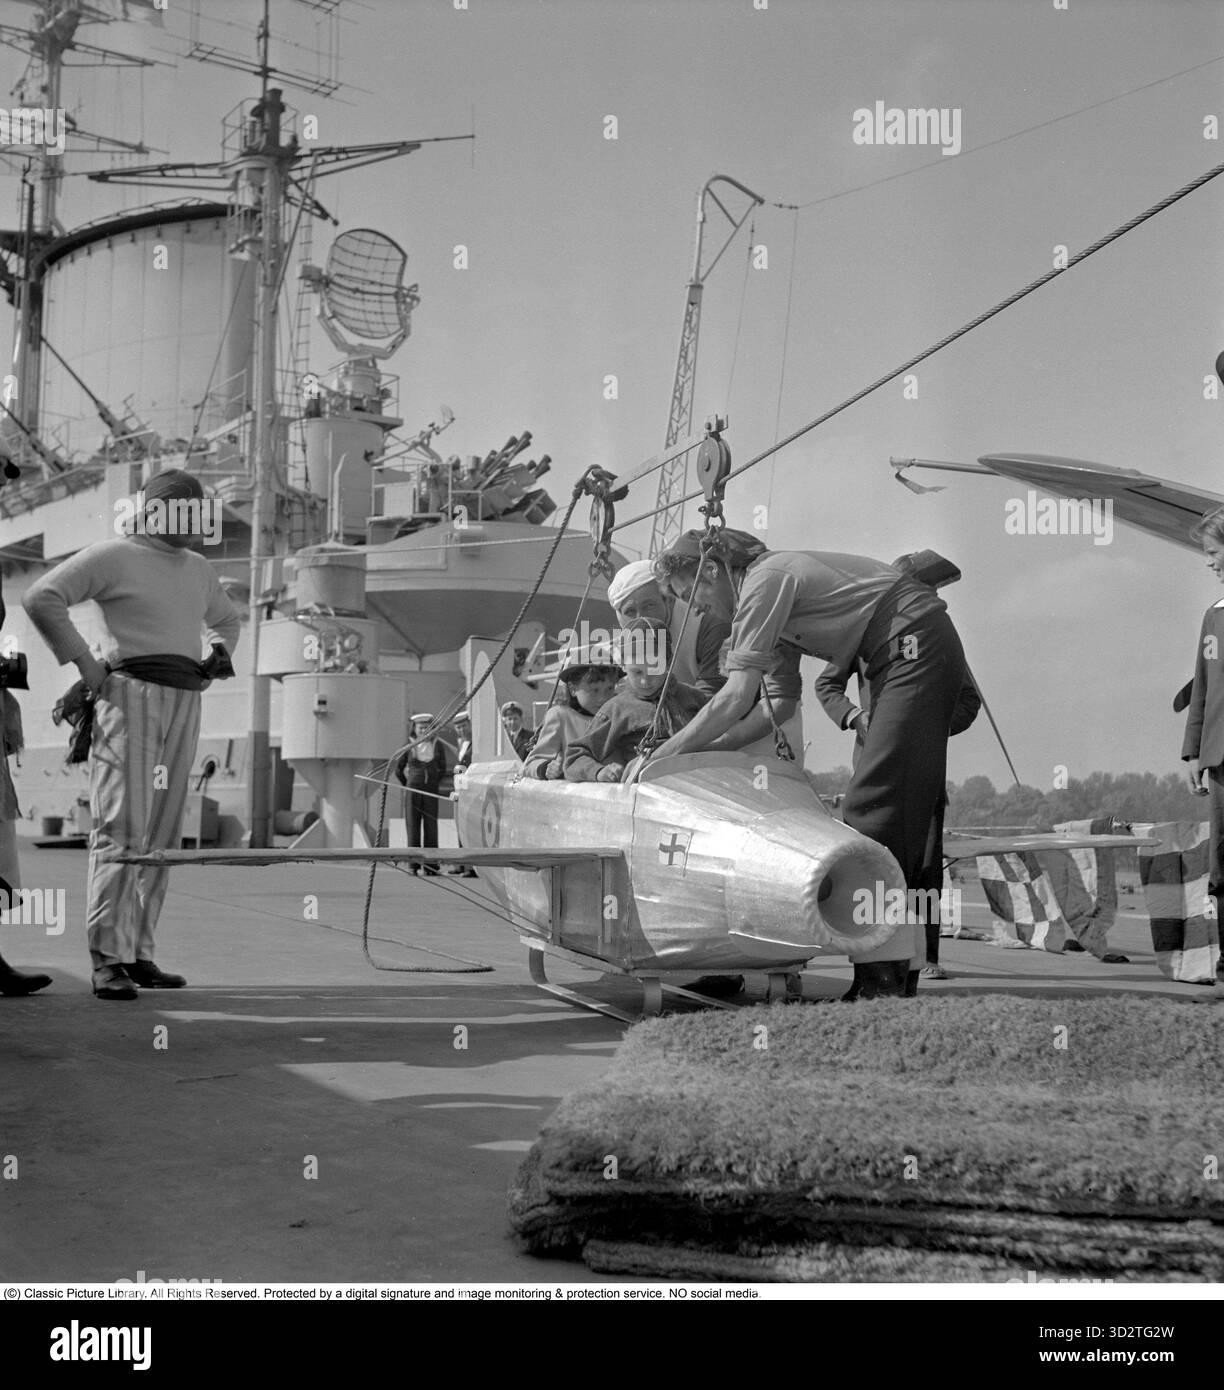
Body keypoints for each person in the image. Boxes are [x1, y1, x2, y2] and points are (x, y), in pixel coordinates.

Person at [651, 528, 967, 999]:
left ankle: (882, 979)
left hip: (908, 641)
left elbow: (737, 694)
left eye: (690, 595)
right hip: (896, 649)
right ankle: (895, 976)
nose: (695, 609)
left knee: (875, 809)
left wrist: (667, 753)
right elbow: (776, 703)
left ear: (712, 570)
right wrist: (703, 752)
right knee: (888, 815)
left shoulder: (764, 581)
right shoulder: (763, 601)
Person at [23, 469, 240, 1001]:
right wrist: (88, 670)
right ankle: (106, 960)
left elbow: (227, 620)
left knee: (163, 834)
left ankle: (140, 953)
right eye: (187, 510)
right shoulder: (113, 556)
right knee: (121, 829)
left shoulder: (197, 569)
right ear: (157, 510)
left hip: (185, 699)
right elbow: (42, 596)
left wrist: (219, 651)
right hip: (130, 698)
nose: (197, 521)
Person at [815, 551, 981, 981]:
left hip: (924, 769)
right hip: (872, 768)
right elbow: (826, 683)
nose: (928, 600)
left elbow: (968, 701)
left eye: (931, 593)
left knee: (923, 870)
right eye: (922, 590)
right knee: (872, 865)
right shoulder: (865, 628)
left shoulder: (942, 638)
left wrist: (922, 725)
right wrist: (855, 716)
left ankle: (925, 958)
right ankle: (873, 966)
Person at [564, 620, 706, 783]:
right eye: (637, 672)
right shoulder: (616, 709)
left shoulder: (695, 698)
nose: (645, 681)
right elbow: (574, 757)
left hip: (702, 785)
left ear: (669, 661)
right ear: (623, 664)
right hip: (649, 794)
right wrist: (599, 772)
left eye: (654, 670)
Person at [1182, 506, 1224, 956]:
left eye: (1213, 552)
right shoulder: (1214, 617)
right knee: (1222, 862)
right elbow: (1202, 688)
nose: (1209, 562)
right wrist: (1193, 750)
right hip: (1220, 760)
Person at [607, 559, 728, 699]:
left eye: (649, 605)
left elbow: (710, 696)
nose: (641, 616)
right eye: (630, 611)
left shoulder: (708, 627)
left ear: (669, 600)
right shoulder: (622, 649)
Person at [524, 648, 622, 779]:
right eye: (595, 690)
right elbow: (530, 764)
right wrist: (546, 768)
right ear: (572, 689)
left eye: (609, 688)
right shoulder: (561, 716)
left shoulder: (619, 717)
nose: (603, 698)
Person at [396, 712, 448, 873]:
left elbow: (443, 768)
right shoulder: (409, 744)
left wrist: (432, 782)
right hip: (413, 789)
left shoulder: (437, 745)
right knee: (413, 825)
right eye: (421, 728)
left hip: (431, 789)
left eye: (427, 727)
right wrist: (409, 784)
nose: (424, 730)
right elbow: (399, 769)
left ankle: (431, 864)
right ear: (415, 729)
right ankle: (414, 864)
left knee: (431, 826)